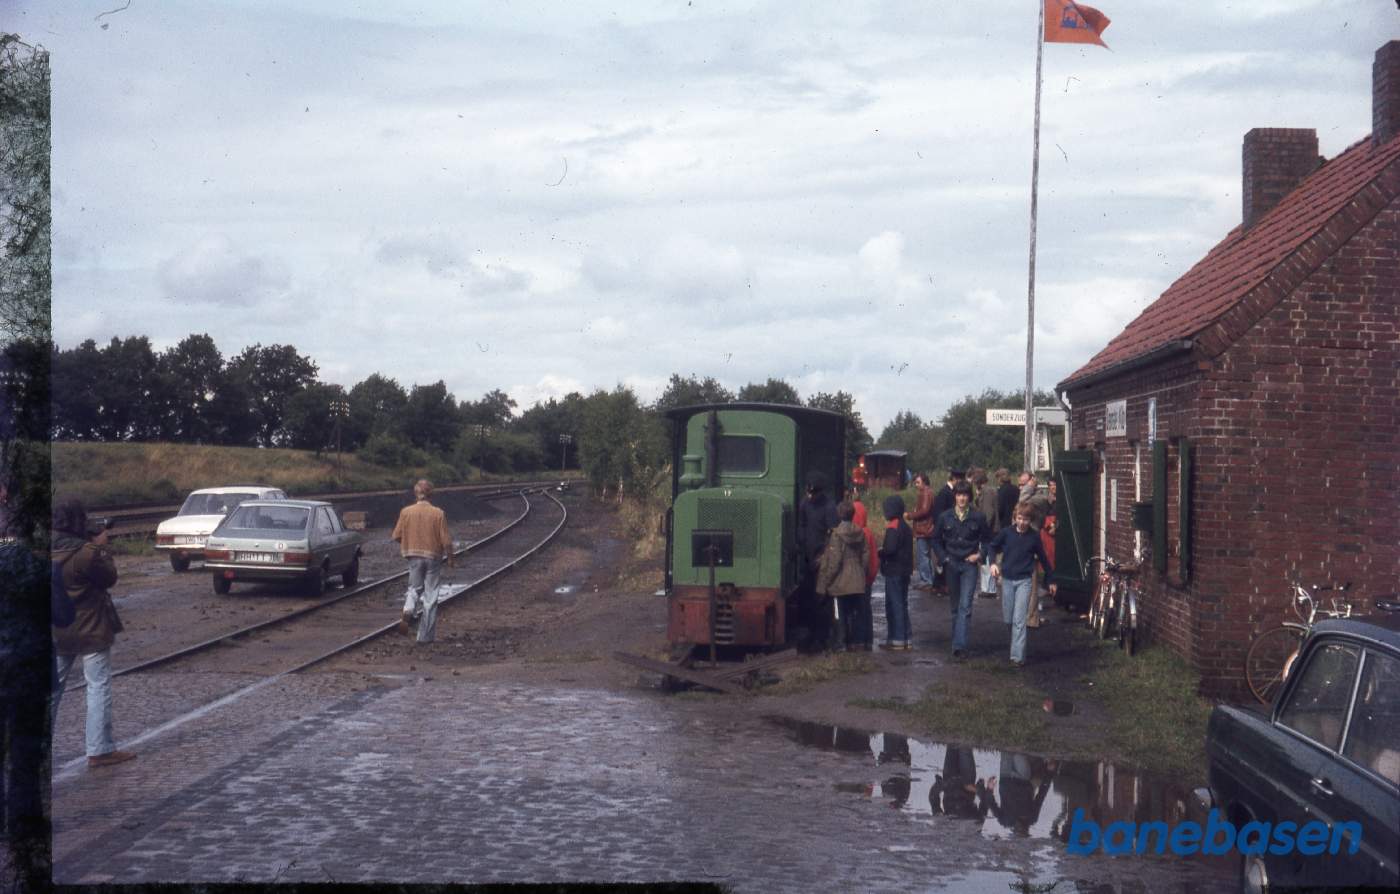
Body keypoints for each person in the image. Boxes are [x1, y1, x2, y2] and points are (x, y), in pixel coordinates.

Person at [51, 499, 136, 768]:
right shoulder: (88, 553)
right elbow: (109, 577)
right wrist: (101, 548)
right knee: (97, 686)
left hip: (57, 628)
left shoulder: (43, 549)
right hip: (91, 628)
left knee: (51, 690)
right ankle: (99, 749)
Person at [988, 501, 1056, 666]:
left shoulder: (1034, 537)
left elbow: (1044, 559)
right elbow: (992, 546)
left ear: (1030, 520)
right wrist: (993, 563)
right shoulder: (1006, 533)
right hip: (1007, 580)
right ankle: (1015, 647)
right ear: (1014, 518)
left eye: (1026, 519)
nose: (1022, 522)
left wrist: (1051, 580)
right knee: (1009, 619)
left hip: (1024, 581)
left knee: (1019, 619)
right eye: (1019, 518)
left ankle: (1017, 658)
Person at [931, 480, 993, 659]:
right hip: (951, 564)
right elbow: (935, 540)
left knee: (965, 606)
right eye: (959, 495)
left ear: (969, 497)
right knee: (954, 607)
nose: (962, 498)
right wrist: (944, 558)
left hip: (969, 565)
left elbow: (988, 540)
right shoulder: (945, 517)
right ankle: (957, 640)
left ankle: (960, 647)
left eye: (965, 495)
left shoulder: (978, 517)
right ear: (955, 497)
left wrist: (979, 555)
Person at [391, 479, 454, 644]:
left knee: (414, 588)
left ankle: (409, 608)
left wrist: (410, 544)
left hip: (413, 556)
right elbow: (446, 541)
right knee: (431, 595)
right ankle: (424, 637)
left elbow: (396, 535)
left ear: (416, 493)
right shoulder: (438, 513)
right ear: (431, 494)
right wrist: (451, 559)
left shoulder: (406, 512)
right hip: (433, 557)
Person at [816, 501, 871, 653]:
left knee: (838, 613)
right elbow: (866, 554)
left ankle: (840, 644)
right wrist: (861, 571)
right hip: (857, 579)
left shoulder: (837, 534)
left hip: (840, 582)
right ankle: (854, 642)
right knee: (854, 613)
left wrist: (825, 582)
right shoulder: (860, 532)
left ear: (839, 514)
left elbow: (835, 561)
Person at [797, 472, 840, 646]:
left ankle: (823, 636)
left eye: (813, 493)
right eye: (808, 492)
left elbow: (833, 534)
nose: (810, 496)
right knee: (808, 597)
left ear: (820, 492)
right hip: (807, 557)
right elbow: (802, 524)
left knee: (822, 599)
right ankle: (811, 632)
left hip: (822, 558)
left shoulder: (829, 507)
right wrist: (801, 543)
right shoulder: (805, 503)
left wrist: (824, 555)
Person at [878, 494, 913, 651]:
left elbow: (890, 549)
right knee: (903, 604)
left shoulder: (893, 526)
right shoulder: (905, 526)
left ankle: (896, 639)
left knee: (894, 605)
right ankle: (906, 638)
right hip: (905, 570)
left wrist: (881, 552)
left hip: (894, 570)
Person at [849, 491, 879, 651]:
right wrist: (871, 576)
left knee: (857, 611)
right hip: (868, 579)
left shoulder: (856, 534)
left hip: (858, 579)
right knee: (866, 610)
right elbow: (874, 558)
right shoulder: (869, 533)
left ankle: (858, 640)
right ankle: (868, 640)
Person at [928, 469, 963, 593]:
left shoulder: (949, 492)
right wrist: (942, 528)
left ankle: (940, 584)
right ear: (954, 479)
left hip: (947, 530)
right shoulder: (945, 493)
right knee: (943, 559)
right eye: (959, 480)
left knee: (945, 559)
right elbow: (938, 513)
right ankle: (939, 584)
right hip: (944, 530)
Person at [972, 468, 1000, 597]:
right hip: (990, 531)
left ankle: (989, 589)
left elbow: (989, 514)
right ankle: (988, 588)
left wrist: (982, 529)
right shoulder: (987, 491)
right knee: (986, 559)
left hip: (988, 531)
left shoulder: (988, 492)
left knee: (987, 559)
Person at [905, 473, 936, 591]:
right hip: (926, 528)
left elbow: (925, 510)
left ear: (924, 482)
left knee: (923, 555)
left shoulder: (926, 493)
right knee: (925, 555)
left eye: (918, 482)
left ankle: (926, 580)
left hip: (923, 529)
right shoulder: (928, 492)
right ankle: (928, 579)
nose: (916, 485)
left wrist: (910, 515)